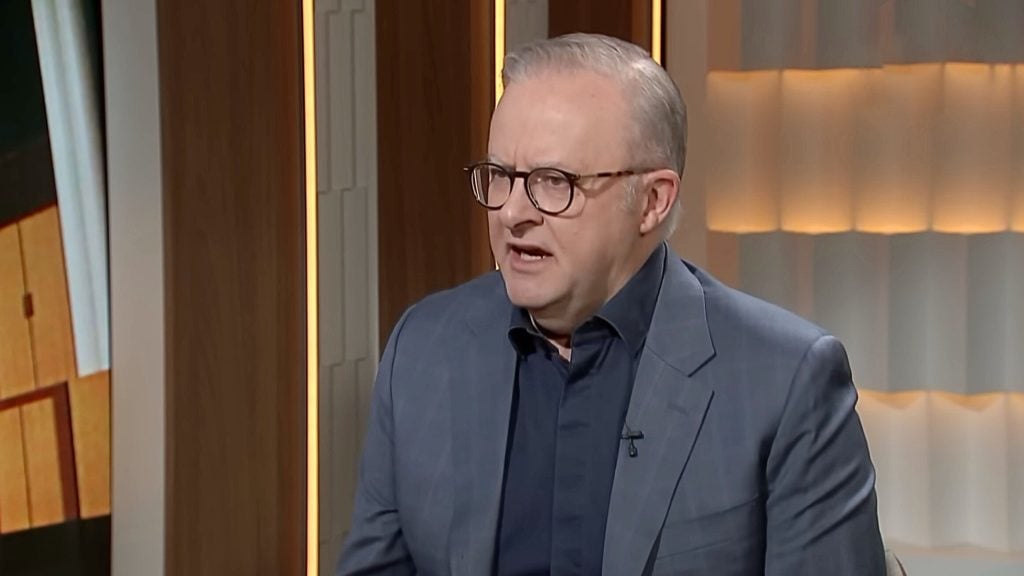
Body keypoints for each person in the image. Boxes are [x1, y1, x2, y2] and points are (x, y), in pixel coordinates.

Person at [338, 33, 884, 576]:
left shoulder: (785, 382)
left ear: (651, 201)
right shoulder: (424, 348)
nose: (512, 213)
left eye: (554, 182)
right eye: (501, 177)